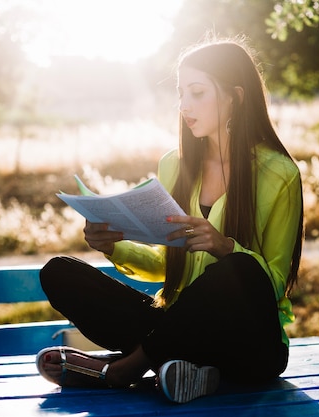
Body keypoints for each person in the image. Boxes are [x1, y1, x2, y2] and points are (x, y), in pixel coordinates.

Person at [35, 36, 304, 404]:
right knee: (59, 272)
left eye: (196, 93)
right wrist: (115, 247)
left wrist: (226, 248)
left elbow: (271, 284)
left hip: (249, 345)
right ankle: (181, 367)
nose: (184, 105)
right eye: (180, 93)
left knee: (239, 269)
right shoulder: (174, 165)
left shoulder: (280, 174)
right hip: (179, 328)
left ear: (235, 97)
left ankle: (126, 368)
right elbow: (170, 263)